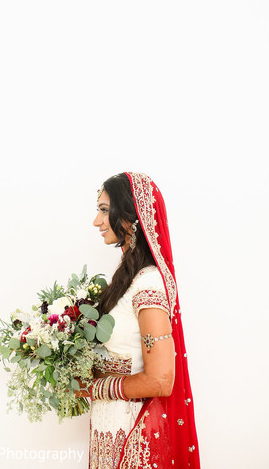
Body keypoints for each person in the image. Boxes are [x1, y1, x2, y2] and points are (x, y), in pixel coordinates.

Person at [78, 172, 200, 469]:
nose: (96, 221)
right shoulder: (126, 279)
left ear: (131, 216)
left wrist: (94, 388)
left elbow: (160, 380)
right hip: (110, 430)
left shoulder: (149, 284)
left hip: (136, 435)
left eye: (104, 210)